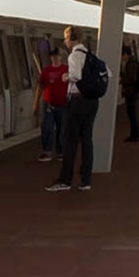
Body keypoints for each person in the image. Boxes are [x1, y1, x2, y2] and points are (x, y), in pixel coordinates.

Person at [49, 28, 102, 191]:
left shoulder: (74, 55)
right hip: (92, 101)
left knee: (69, 140)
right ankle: (86, 180)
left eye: (66, 38)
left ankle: (65, 180)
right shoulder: (91, 55)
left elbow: (76, 76)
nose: (65, 41)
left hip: (77, 101)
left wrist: (66, 77)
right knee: (87, 140)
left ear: (72, 38)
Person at [35, 36, 68, 164]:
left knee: (61, 128)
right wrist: (36, 103)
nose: (55, 58)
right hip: (48, 103)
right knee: (47, 127)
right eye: (53, 56)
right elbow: (40, 86)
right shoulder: (46, 71)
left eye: (57, 56)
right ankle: (47, 151)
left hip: (63, 104)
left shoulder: (66, 69)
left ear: (60, 57)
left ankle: (61, 152)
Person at [119, 43, 139, 142]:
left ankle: (134, 135)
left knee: (132, 114)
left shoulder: (131, 64)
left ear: (125, 54)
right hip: (132, 92)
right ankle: (134, 134)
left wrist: (121, 80)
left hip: (131, 92)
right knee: (131, 114)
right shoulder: (132, 63)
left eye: (122, 55)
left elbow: (131, 79)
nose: (122, 58)